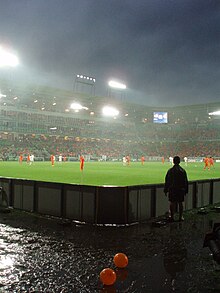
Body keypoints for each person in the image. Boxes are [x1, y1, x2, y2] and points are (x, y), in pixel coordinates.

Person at [164, 156, 188, 222]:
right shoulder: (182, 170)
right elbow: (185, 181)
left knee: (172, 202)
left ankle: (172, 217)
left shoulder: (170, 170)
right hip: (180, 189)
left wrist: (165, 189)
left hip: (172, 189)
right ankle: (180, 217)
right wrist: (186, 190)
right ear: (179, 162)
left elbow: (167, 181)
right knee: (180, 202)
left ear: (173, 161)